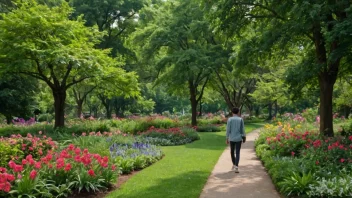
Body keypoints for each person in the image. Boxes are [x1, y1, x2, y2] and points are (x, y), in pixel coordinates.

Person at [226, 107, 246, 173]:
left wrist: (227, 138)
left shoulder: (229, 119)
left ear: (232, 112)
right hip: (238, 138)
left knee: (232, 151)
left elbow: (228, 129)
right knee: (237, 152)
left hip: (231, 138)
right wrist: (244, 137)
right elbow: (242, 129)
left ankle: (234, 164)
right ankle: (236, 166)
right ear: (238, 112)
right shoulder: (240, 119)